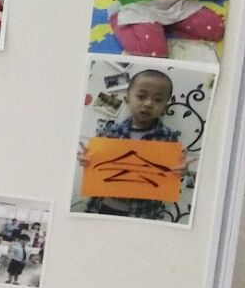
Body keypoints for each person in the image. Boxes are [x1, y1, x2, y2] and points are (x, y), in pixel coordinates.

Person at [79, 68, 189, 219]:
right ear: (127, 99)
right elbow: (97, 167)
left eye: (157, 100)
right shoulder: (110, 132)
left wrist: (180, 172)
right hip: (101, 207)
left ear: (165, 107)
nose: (148, 104)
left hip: (142, 213)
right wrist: (87, 162)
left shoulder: (168, 138)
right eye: (141, 96)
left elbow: (169, 175)